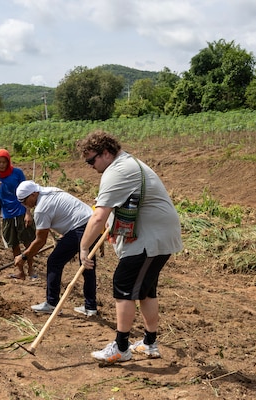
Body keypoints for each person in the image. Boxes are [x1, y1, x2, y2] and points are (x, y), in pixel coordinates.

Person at [77, 130, 182, 364]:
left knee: (123, 285)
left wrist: (83, 248)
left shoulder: (117, 171)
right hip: (159, 235)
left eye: (91, 160)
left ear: (106, 153)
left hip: (150, 240)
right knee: (145, 291)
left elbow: (97, 218)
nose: (90, 166)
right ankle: (149, 343)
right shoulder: (127, 163)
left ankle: (121, 347)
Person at [14, 181, 98, 316]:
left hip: (80, 229)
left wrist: (24, 256)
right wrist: (64, 236)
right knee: (87, 266)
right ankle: (91, 307)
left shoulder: (41, 208)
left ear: (33, 194)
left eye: (24, 201)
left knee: (54, 262)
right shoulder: (51, 190)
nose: (25, 205)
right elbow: (67, 211)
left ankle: (52, 303)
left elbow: (40, 241)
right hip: (93, 223)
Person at [0, 149, 36, 279]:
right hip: (7, 215)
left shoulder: (17, 173)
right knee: (14, 245)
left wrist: (28, 213)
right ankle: (20, 272)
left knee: (28, 242)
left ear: (8, 161)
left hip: (21, 211)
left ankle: (31, 270)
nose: (1, 165)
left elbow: (28, 193)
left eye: (4, 162)